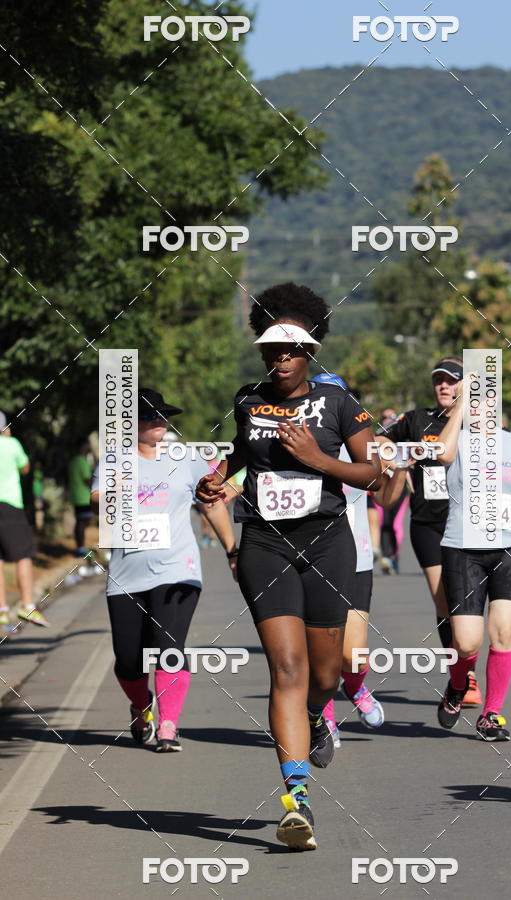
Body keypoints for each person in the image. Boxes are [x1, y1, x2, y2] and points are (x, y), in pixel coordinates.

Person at [196, 283, 382, 851]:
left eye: (292, 350)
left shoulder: (340, 403)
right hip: (266, 546)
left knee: (324, 674)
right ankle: (295, 800)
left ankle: (322, 711)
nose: (281, 359)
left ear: (311, 351)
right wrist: (220, 480)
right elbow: (241, 454)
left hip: (327, 544)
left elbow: (374, 473)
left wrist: (317, 459)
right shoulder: (247, 401)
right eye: (271, 350)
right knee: (286, 668)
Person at [91, 388, 237, 753]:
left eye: (162, 415)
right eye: (148, 416)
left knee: (169, 647)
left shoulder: (185, 458)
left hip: (177, 568)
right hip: (126, 572)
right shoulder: (114, 459)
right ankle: (142, 709)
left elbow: (211, 503)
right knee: (128, 658)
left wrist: (233, 550)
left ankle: (169, 725)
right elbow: (97, 500)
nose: (158, 421)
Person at [435, 375, 511, 741]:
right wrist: (458, 406)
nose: (480, 406)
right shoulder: (457, 439)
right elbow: (441, 455)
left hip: (509, 547)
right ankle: (457, 684)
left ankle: (492, 714)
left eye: (486, 400)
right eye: (473, 400)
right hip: (462, 548)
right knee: (466, 642)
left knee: (504, 632)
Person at [376, 357, 482, 706]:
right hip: (428, 524)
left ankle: (468, 674)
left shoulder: (476, 419)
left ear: (464, 386)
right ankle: (461, 676)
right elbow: (380, 440)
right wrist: (396, 461)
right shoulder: (417, 419)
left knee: (467, 603)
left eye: (452, 381)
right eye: (439, 381)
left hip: (467, 521)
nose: (444, 387)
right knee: (444, 600)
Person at [310, 373, 386, 746]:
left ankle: (355, 688)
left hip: (355, 557)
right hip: (313, 557)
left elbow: (386, 496)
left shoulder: (363, 444)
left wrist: (397, 466)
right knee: (322, 648)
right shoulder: (300, 441)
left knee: (353, 655)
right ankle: (325, 719)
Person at [0, 411, 49, 629]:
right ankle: (27, 605)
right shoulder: (11, 444)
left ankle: (2, 610)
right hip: (10, 504)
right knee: (24, 555)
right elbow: (25, 467)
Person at [68, 440, 94, 557]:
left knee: (81, 521)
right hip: (83, 497)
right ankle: (81, 549)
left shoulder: (72, 461)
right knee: (82, 522)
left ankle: (80, 547)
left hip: (75, 496)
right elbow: (87, 480)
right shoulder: (81, 461)